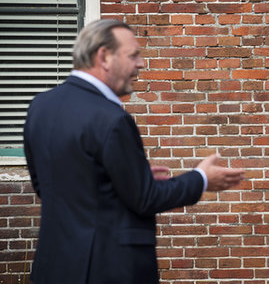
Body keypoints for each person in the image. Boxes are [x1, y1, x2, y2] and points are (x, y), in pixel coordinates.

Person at [23, 19, 245, 284]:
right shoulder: (111, 118)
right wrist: (202, 178)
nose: (140, 64)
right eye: (134, 55)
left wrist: (118, 175)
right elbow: (146, 199)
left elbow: (48, 185)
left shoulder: (40, 107)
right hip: (107, 270)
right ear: (104, 56)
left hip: (53, 268)